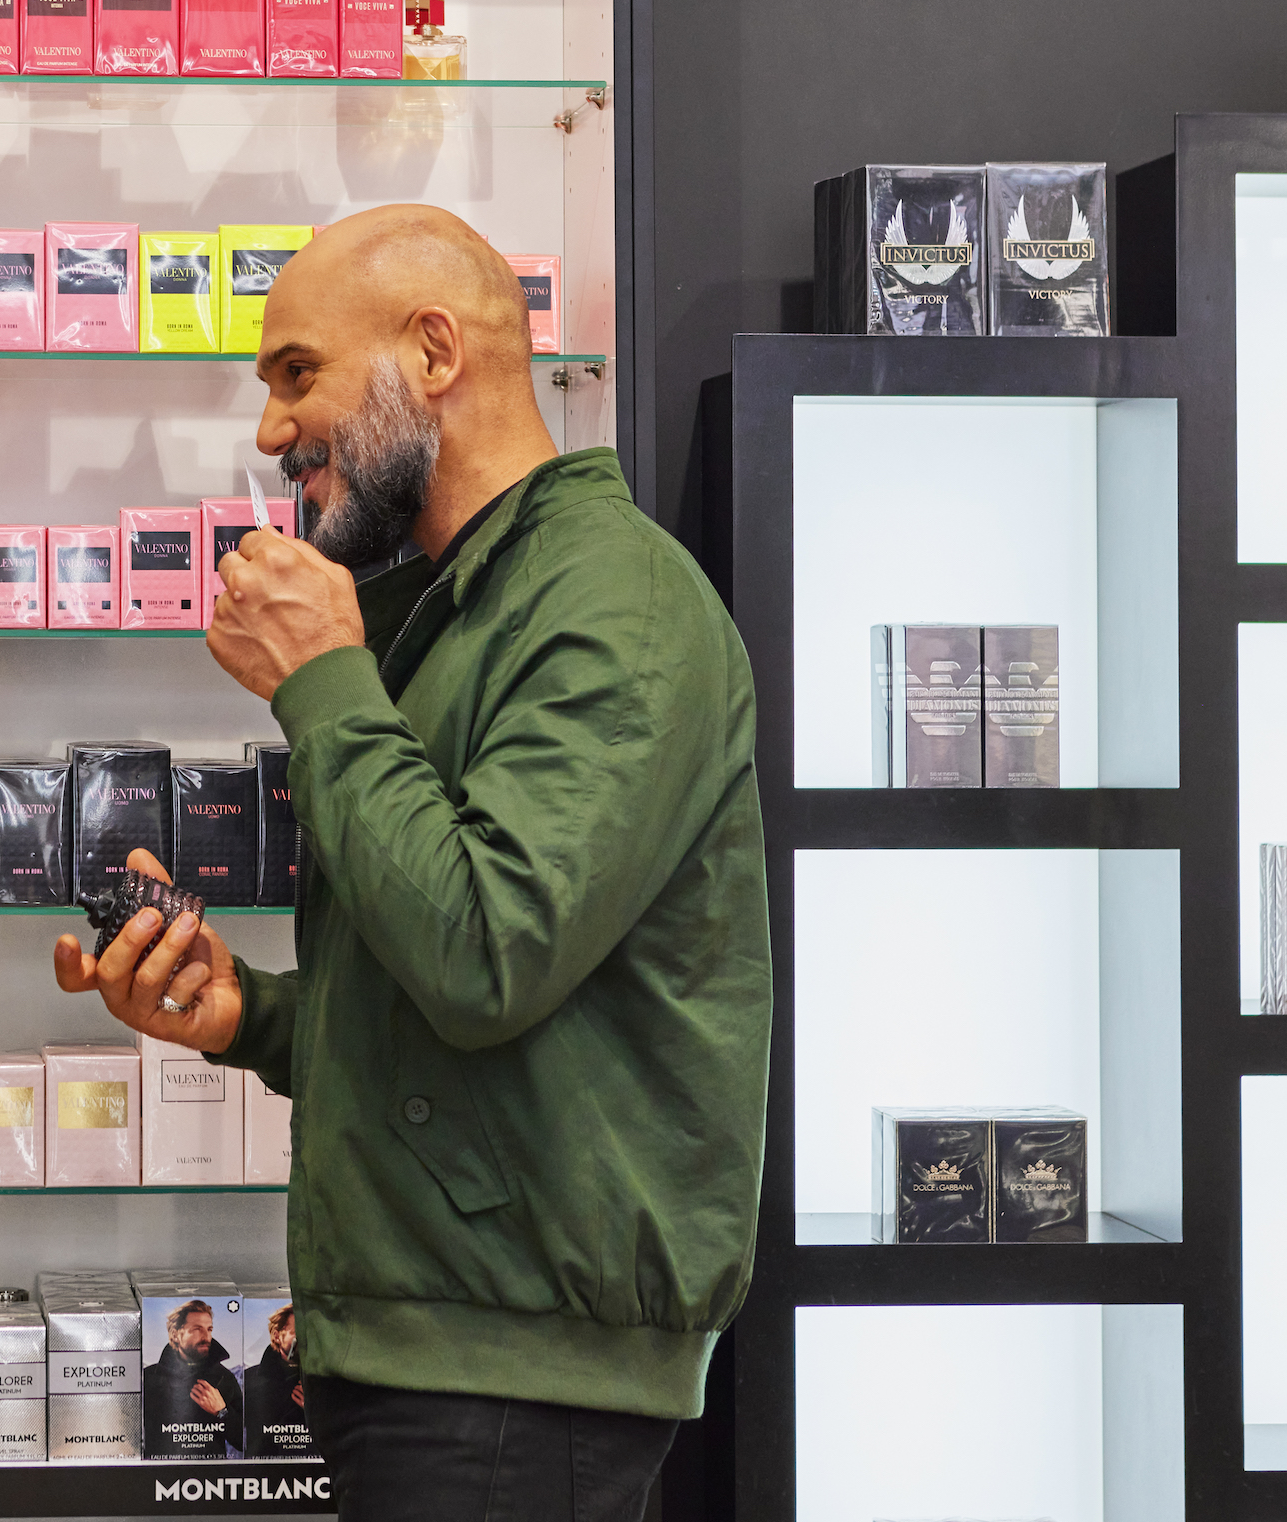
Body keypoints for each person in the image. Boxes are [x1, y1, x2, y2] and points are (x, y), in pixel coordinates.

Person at [53, 203, 772, 1522]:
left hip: (513, 1377)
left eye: (297, 374)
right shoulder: (461, 610)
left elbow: (484, 955)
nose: (271, 431)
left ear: (433, 351)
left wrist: (324, 675)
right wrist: (251, 1012)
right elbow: (448, 983)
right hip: (442, 1350)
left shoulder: (613, 600)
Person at [144, 1297, 246, 1458]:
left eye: (209, 1329)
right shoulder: (149, 1379)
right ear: (175, 1334)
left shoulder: (224, 1378)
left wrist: (222, 1412)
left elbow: (244, 1442)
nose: (206, 1337)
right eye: (197, 1329)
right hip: (161, 1478)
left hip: (211, 1479)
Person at [242, 1301, 307, 1453]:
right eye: (297, 1333)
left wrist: (316, 1412)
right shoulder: (249, 1380)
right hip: (263, 1473)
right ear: (277, 1336)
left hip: (315, 1473)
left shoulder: (325, 1382)